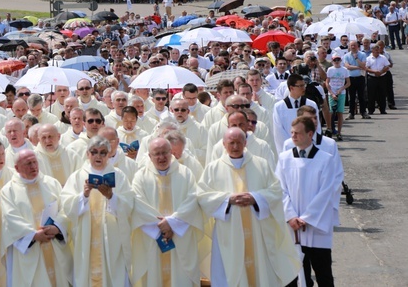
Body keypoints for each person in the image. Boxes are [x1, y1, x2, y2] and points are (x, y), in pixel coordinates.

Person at [197, 127, 300, 286]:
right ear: (224, 144)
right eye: (231, 143)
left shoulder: (261, 164)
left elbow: (275, 190)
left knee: (260, 271)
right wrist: (228, 199)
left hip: (258, 231)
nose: (236, 146)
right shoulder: (213, 168)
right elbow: (203, 196)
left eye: (239, 142)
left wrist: (255, 198)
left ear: (245, 142)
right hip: (228, 232)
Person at [131, 138, 206, 287]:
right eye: (156, 154)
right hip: (152, 238)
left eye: (165, 152)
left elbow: (192, 200)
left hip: (180, 236)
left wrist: (172, 223)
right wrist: (162, 227)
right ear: (149, 156)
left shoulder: (185, 173)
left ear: (171, 152)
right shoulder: (140, 176)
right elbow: (138, 204)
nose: (161, 157)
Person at [61, 135, 135, 287]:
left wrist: (111, 197)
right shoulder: (77, 176)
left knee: (113, 274)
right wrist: (84, 195)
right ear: (87, 154)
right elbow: (67, 207)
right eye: (94, 152)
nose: (98, 156)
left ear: (109, 155)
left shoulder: (119, 176)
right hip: (84, 239)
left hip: (112, 240)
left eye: (103, 152)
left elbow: (128, 206)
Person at [276, 117, 340, 287]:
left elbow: (327, 191)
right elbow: (279, 189)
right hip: (293, 226)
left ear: (310, 134)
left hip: (317, 226)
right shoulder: (284, 159)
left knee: (323, 273)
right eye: (291, 133)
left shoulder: (325, 159)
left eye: (297, 133)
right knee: (295, 274)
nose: (293, 136)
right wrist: (290, 216)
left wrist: (307, 218)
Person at [0, 149, 72, 287]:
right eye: (28, 164)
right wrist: (33, 235)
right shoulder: (8, 191)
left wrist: (57, 227)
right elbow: (10, 217)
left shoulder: (52, 183)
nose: (33, 167)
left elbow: (65, 209)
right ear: (17, 168)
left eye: (34, 162)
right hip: (30, 249)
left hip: (54, 244)